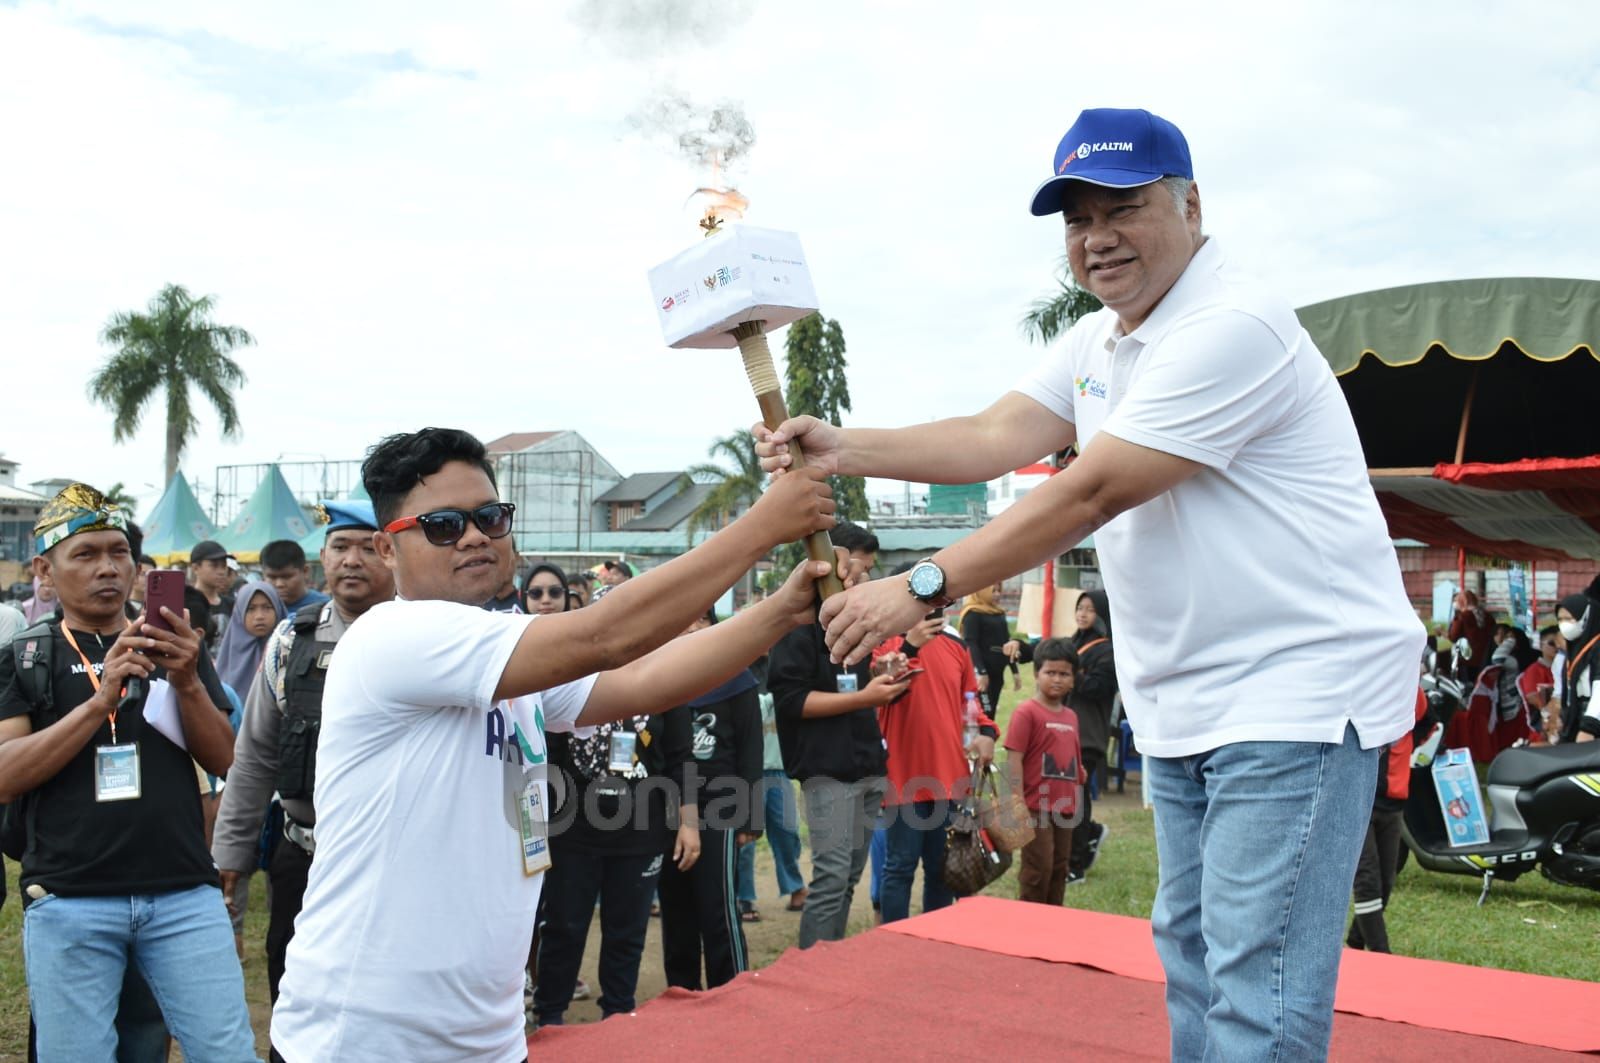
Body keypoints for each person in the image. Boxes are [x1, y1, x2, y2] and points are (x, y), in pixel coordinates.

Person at [755, 107, 1425, 1059]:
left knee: (1254, 982)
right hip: (1189, 699)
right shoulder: (1101, 339)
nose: (1098, 236)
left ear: (1191, 204)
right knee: (1192, 957)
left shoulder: (1233, 322)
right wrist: (843, 441)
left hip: (1295, 696)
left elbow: (1092, 489)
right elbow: (994, 434)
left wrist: (924, 583)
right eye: (1077, 217)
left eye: (1126, 206)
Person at [269, 428, 836, 1061]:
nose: (476, 536)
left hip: (486, 1036)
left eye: (489, 517)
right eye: (443, 525)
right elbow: (603, 637)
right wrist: (762, 526)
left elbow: (641, 680)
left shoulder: (502, 650)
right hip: (368, 1038)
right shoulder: (393, 636)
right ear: (387, 547)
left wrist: (783, 611)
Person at [0, 484, 257, 1061]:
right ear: (46, 568)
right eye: (85, 555)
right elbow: (5, 774)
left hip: (183, 893)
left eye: (118, 553)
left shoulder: (173, 644)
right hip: (70, 899)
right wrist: (97, 704)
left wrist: (188, 680)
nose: (108, 568)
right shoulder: (25, 656)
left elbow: (228, 763)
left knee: (226, 1051)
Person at [210, 501, 393, 1002]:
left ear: (392, 553)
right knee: (293, 986)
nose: (351, 561)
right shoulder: (293, 640)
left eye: (365, 548)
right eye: (340, 547)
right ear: (323, 560)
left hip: (392, 864)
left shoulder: (420, 635)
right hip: (304, 852)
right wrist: (231, 852)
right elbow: (255, 755)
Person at [534, 695, 694, 1024]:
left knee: (627, 931)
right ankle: (549, 1015)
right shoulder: (576, 674)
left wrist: (689, 823)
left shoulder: (662, 674)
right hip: (573, 831)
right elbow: (546, 756)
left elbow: (681, 757)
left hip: (642, 831)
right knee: (563, 927)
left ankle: (618, 1014)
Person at [768, 614, 904, 947]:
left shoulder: (854, 625)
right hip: (826, 770)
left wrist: (879, 676)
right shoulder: (796, 629)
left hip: (868, 762)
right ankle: (810, 976)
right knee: (831, 878)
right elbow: (790, 701)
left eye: (865, 571)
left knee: (847, 880)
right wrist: (863, 698)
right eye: (854, 567)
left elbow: (853, 686)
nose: (859, 577)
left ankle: (832, 964)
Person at [870, 589, 995, 924]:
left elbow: (971, 704)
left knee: (941, 870)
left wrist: (986, 734)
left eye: (940, 605)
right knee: (899, 866)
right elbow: (883, 689)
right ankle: (894, 940)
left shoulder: (956, 648)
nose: (935, 612)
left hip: (949, 778)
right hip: (902, 776)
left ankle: (933, 939)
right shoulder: (884, 646)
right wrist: (910, 646)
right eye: (926, 605)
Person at [657, 608, 764, 990]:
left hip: (720, 807)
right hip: (668, 808)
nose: (690, 625)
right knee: (675, 909)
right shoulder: (656, 677)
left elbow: (752, 750)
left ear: (715, 626)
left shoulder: (736, 677)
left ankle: (731, 990)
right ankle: (681, 991)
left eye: (701, 618)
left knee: (717, 906)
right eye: (685, 618)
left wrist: (751, 816)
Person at [1347, 687, 1429, 953]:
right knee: (1367, 881)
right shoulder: (1366, 691)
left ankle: (1356, 942)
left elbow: (1429, 720)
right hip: (1362, 802)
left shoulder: (1413, 694)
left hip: (1394, 803)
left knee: (1386, 882)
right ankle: (1382, 954)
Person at [1004, 638, 1082, 905]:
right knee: (1038, 869)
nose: (1057, 680)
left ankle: (1054, 925)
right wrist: (1016, 803)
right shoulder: (1026, 713)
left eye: (1064, 674)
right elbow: (1014, 758)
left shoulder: (1071, 717)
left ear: (1074, 678)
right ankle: (1030, 927)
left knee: (1060, 869)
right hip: (1035, 807)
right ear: (1036, 674)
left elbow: (1075, 763)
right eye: (1050, 673)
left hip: (1065, 808)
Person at [734, 658, 808, 918]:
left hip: (778, 769)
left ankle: (795, 887)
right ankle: (744, 898)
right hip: (746, 772)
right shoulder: (737, 670)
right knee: (746, 841)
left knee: (788, 832)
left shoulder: (781, 668)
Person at [1067, 589, 1116, 883]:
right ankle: (1092, 833)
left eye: (1089, 609)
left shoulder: (1108, 649)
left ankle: (1075, 864)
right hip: (1066, 731)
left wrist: (1070, 671)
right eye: (1079, 608)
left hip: (1088, 734)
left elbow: (1098, 687)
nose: (1083, 613)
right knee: (1069, 798)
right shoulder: (1074, 642)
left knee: (1076, 800)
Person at [959, 581, 1017, 716]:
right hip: (982, 674)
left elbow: (1006, 643)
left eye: (999, 591)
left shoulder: (999, 613)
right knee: (983, 712)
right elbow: (971, 643)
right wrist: (981, 672)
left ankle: (989, 736)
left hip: (998, 673)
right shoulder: (972, 613)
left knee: (991, 713)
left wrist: (1014, 671)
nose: (997, 594)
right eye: (993, 591)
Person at [1554, 577, 1600, 743]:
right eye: (1560, 619)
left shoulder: (1597, 648)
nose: (1564, 625)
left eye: (1569, 619)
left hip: (1593, 724)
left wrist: (1589, 727)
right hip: (1578, 720)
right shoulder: (1574, 650)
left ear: (1586, 617)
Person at [261, 539, 330, 615]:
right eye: (272, 577)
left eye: (287, 577)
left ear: (305, 571)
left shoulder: (325, 607)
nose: (279, 584)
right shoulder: (256, 609)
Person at [189, 540, 238, 645]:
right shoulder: (185, 603)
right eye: (214, 565)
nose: (221, 571)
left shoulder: (233, 605)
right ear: (195, 568)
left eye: (224, 566)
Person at [1521, 626, 1560, 738]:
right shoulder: (1534, 670)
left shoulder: (1565, 667)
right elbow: (1532, 697)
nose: (1557, 647)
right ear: (1541, 645)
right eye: (1552, 643)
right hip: (1546, 726)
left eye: (1560, 643)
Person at [1448, 590, 1493, 681]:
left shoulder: (1463, 617)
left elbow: (1453, 636)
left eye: (1457, 601)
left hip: (1469, 659)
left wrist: (1441, 632)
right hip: (1487, 657)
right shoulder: (1488, 616)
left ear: (1462, 602)